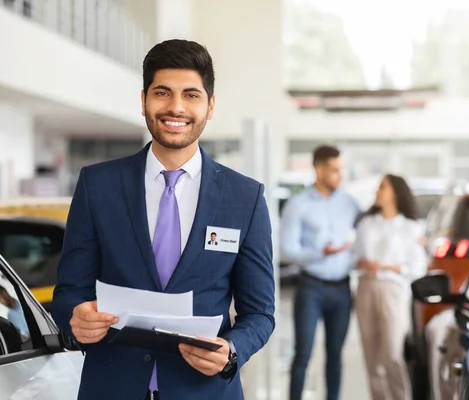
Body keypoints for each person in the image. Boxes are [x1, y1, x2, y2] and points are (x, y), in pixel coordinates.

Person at [51, 39, 275, 400]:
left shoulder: (244, 197)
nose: (175, 107)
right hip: (111, 387)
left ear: (210, 105)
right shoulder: (98, 185)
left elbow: (261, 313)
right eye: (162, 93)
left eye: (191, 95)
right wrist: (75, 316)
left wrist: (231, 351)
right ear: (143, 101)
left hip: (203, 389)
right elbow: (68, 292)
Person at [280, 145, 361, 400]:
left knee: (335, 356)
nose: (340, 175)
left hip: (342, 289)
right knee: (302, 354)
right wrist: (320, 253)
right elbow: (286, 250)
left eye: (341, 170)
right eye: (335, 170)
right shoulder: (299, 204)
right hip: (310, 288)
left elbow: (370, 232)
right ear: (319, 169)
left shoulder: (350, 203)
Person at [354, 174, 427, 400]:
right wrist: (363, 263)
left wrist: (389, 266)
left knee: (392, 355)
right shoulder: (366, 224)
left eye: (382, 187)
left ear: (395, 192)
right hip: (366, 287)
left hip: (393, 290)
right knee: (371, 357)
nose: (377, 191)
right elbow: (355, 257)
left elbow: (418, 267)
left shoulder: (410, 227)